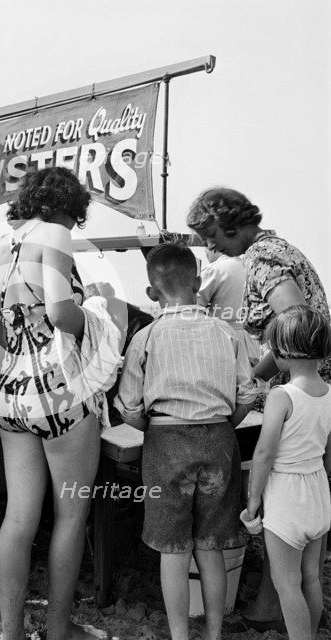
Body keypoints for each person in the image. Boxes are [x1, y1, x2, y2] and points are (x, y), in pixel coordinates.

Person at [187, 187, 331, 630]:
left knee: (283, 512)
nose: (211, 248)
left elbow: (294, 319)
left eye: (212, 237)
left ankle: (275, 610)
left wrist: (258, 376)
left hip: (296, 394)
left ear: (233, 227)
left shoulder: (262, 258)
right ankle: (274, 608)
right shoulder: (277, 247)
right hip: (317, 396)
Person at [115, 243, 258, 640]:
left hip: (165, 442)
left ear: (150, 293)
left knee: (172, 550)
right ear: (198, 281)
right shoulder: (227, 332)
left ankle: (180, 636)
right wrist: (225, 422)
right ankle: (213, 634)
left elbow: (128, 407)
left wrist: (148, 426)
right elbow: (247, 394)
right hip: (219, 441)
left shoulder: (146, 337)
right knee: (211, 546)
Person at [0, 167, 102, 640]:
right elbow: (58, 312)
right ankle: (58, 630)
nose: (73, 227)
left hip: (11, 390)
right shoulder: (54, 234)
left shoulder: (0, 244)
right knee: (71, 514)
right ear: (62, 206)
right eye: (75, 216)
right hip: (58, 390)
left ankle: (11, 631)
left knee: (19, 515)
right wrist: (91, 319)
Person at [246, 306, 331, 640]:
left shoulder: (282, 396)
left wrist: (253, 502)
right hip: (317, 493)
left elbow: (264, 454)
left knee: (287, 585)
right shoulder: (328, 394)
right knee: (311, 579)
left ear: (281, 351)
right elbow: (327, 453)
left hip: (286, 498)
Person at [198, 248, 261, 366]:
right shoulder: (251, 268)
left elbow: (193, 309)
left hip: (222, 343)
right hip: (251, 343)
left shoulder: (214, 270)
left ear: (212, 247)